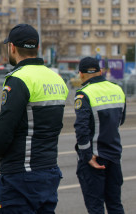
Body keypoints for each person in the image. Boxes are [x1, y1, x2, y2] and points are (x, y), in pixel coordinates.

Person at [0, 24, 69, 213]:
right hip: (49, 170)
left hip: (22, 173)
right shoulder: (56, 78)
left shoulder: (19, 79)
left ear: (12, 47)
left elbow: (6, 125)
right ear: (37, 48)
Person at [74, 57, 126, 214]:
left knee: (95, 207)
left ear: (81, 74)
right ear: (101, 72)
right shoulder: (117, 89)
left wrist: (87, 155)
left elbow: (81, 129)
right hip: (114, 156)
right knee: (115, 204)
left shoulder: (84, 94)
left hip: (94, 159)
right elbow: (120, 120)